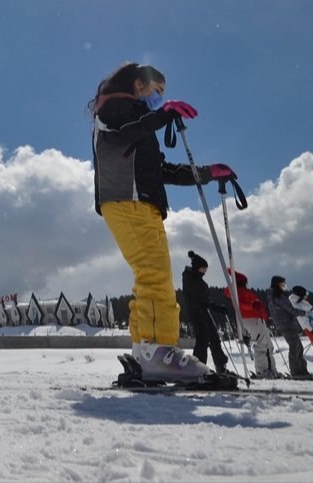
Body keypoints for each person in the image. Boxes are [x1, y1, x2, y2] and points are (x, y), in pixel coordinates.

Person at [89, 62, 236, 384]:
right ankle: (158, 352)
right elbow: (121, 136)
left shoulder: (138, 118)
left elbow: (160, 170)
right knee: (154, 275)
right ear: (140, 84)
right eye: (158, 91)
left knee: (150, 275)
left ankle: (146, 352)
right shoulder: (115, 107)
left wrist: (207, 173)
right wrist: (162, 115)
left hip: (141, 201)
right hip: (128, 200)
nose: (160, 98)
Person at [180, 251, 229, 374]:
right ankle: (197, 367)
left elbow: (203, 299)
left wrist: (213, 306)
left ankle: (221, 365)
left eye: (205, 269)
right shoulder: (190, 278)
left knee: (214, 337)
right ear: (197, 268)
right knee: (203, 339)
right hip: (196, 312)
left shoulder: (198, 279)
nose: (204, 272)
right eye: (203, 269)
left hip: (203, 311)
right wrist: (211, 305)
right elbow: (195, 298)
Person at [224, 270, 279, 379]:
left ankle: (271, 370)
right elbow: (241, 305)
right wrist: (253, 306)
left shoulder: (239, 292)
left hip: (256, 319)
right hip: (252, 319)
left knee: (268, 346)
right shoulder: (239, 292)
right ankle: (263, 371)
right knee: (262, 345)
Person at [268, 276, 310, 378]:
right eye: (283, 283)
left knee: (298, 347)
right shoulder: (278, 297)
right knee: (295, 347)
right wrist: (303, 313)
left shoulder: (275, 296)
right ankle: (296, 371)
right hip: (286, 324)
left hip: (285, 324)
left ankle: (301, 370)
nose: (284, 285)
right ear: (278, 284)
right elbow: (290, 309)